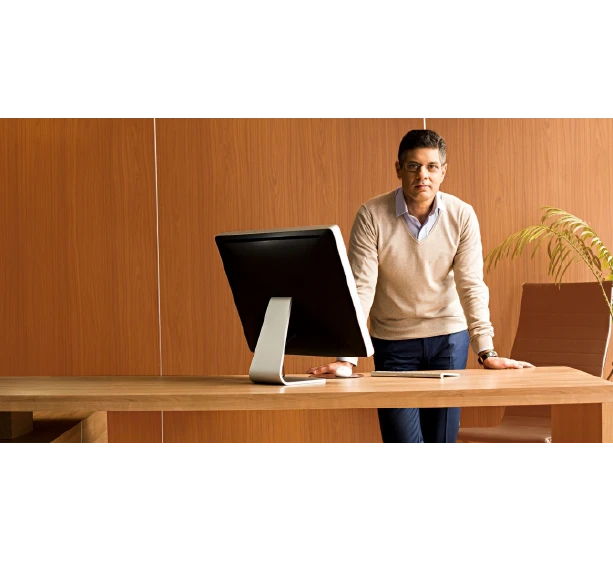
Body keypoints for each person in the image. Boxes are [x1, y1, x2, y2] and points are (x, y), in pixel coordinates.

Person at [307, 129, 533, 446]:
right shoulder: (371, 215)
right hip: (394, 343)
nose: (422, 176)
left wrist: (486, 351)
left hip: (448, 341)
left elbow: (471, 284)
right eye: (413, 166)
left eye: (431, 167)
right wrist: (347, 358)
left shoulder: (462, 215)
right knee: (403, 446)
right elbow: (361, 288)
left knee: (441, 445)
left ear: (443, 171)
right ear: (398, 169)